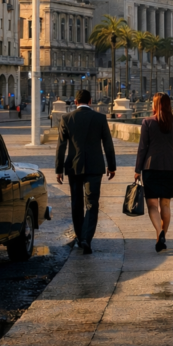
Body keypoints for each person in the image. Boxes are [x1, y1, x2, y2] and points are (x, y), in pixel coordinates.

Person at [54, 89, 116, 255]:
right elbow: (108, 144)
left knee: (76, 202)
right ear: (90, 102)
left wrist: (59, 169)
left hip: (73, 166)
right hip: (95, 167)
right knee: (92, 202)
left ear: (75, 102)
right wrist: (112, 166)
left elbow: (61, 146)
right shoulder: (100, 118)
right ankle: (86, 239)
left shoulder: (66, 118)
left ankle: (80, 236)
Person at [134, 93, 173, 252]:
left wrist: (137, 170)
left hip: (151, 167)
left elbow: (142, 148)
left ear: (154, 106)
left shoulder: (147, 122)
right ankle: (161, 238)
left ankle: (159, 231)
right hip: (170, 167)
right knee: (166, 204)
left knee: (152, 204)